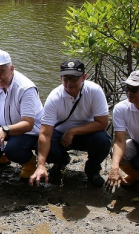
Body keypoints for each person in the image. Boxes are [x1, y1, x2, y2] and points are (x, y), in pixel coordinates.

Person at [29, 59, 111, 187]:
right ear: (60, 78)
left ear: (84, 77)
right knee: (40, 145)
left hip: (87, 134)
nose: (69, 83)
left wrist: (73, 131)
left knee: (103, 140)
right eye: (65, 78)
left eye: (74, 79)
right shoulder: (54, 97)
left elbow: (102, 123)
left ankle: (93, 170)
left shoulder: (95, 91)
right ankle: (61, 161)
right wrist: (41, 165)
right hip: (60, 135)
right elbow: (45, 133)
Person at [0, 49, 43, 179]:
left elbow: (28, 124)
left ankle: (29, 162)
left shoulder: (25, 88)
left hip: (26, 131)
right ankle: (2, 157)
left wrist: (5, 130)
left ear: (12, 68)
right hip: (2, 127)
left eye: (2, 71)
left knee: (13, 150)